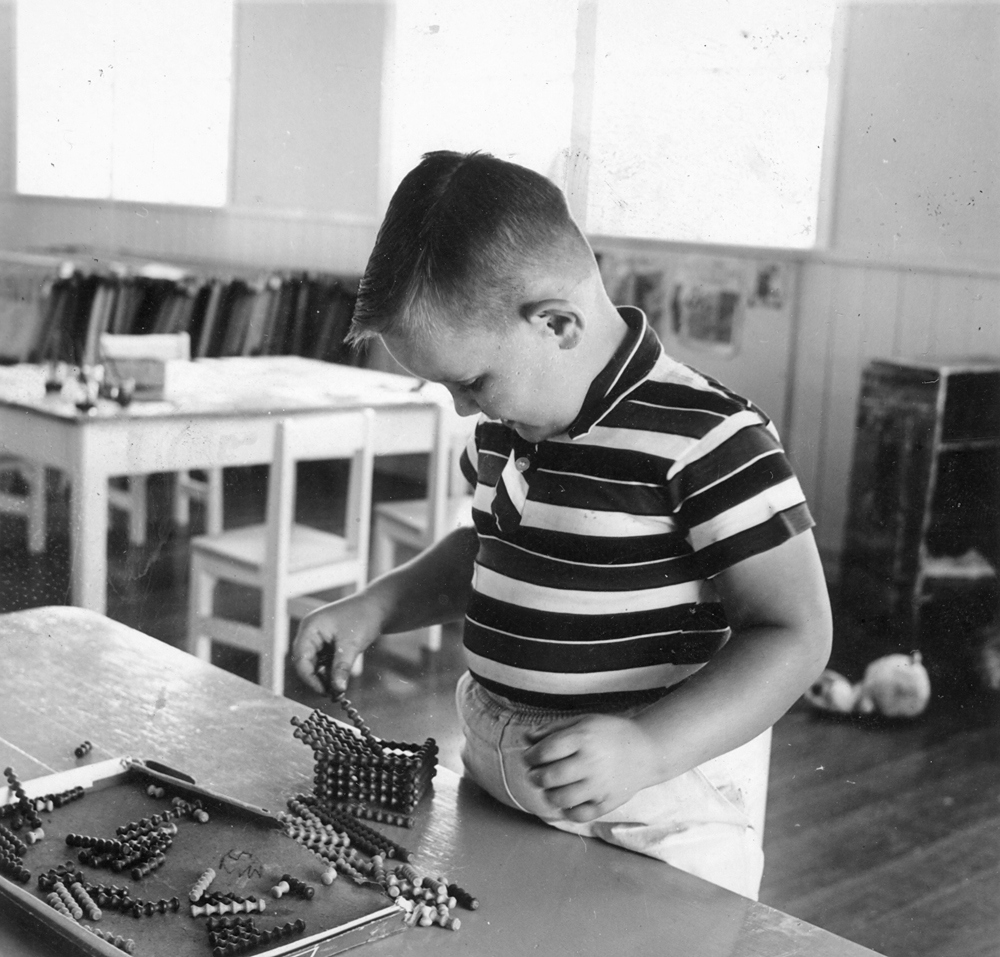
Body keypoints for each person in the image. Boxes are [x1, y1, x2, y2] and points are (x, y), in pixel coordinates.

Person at [292, 150, 832, 900]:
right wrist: (377, 606)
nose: (462, 409)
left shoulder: (710, 438)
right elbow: (489, 548)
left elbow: (796, 632)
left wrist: (647, 747)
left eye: (471, 380)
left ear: (557, 324)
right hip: (504, 780)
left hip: (651, 807)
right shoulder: (511, 422)